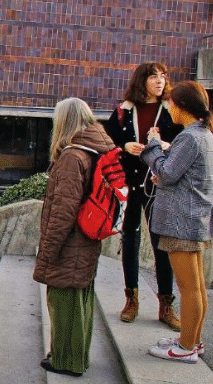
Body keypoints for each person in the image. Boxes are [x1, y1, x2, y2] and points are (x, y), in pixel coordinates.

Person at [34, 98, 115, 377]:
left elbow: (62, 212)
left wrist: (48, 251)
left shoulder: (72, 157)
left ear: (64, 122)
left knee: (63, 302)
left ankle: (66, 360)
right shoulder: (96, 150)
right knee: (81, 300)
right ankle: (77, 355)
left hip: (71, 242)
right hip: (88, 238)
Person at [103, 62, 182, 329]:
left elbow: (185, 144)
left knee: (162, 244)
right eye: (153, 77)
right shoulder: (125, 110)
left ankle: (166, 304)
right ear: (142, 81)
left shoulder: (171, 110)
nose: (160, 81)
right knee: (131, 240)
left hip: (159, 185)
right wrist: (125, 145)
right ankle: (131, 298)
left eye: (163, 76)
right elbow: (107, 141)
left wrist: (163, 145)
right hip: (130, 183)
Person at [141, 81, 213, 363]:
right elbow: (183, 176)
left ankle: (185, 347)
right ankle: (192, 341)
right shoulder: (205, 135)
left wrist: (154, 147)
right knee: (195, 286)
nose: (169, 107)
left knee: (188, 287)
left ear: (181, 107)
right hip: (196, 218)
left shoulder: (189, 137)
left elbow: (168, 174)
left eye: (171, 103)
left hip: (180, 220)